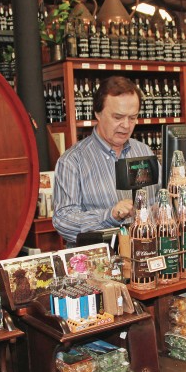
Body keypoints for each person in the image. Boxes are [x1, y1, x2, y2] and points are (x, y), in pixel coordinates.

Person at [53, 76, 159, 245]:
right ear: (98, 113)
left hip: (144, 252)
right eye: (118, 117)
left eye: (132, 118)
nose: (126, 125)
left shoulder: (143, 151)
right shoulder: (73, 161)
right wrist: (110, 215)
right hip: (99, 263)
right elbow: (63, 221)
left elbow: (158, 199)